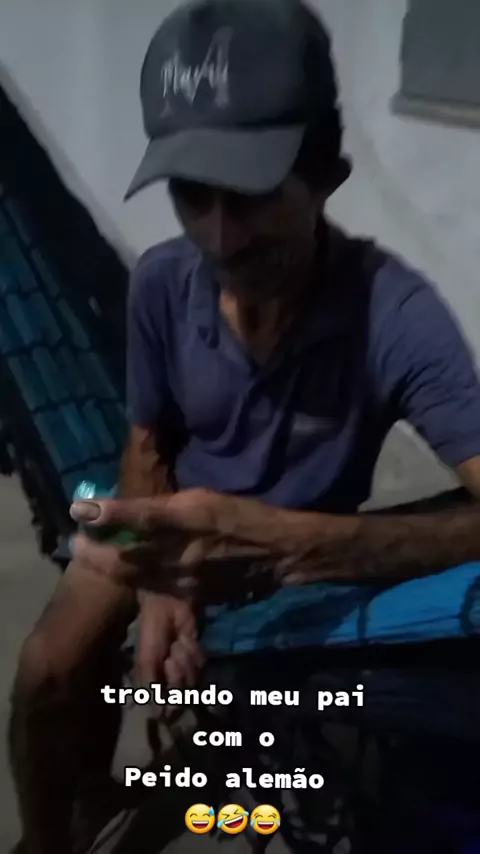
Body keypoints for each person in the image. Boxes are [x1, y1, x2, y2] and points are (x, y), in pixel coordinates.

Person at [9, 0, 480, 852]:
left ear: (328, 174)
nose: (222, 237)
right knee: (46, 671)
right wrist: (160, 582)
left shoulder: (397, 318)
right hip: (165, 528)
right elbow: (146, 446)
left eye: (254, 195)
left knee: (269, 739)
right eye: (194, 196)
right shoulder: (162, 283)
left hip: (290, 564)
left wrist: (302, 545)